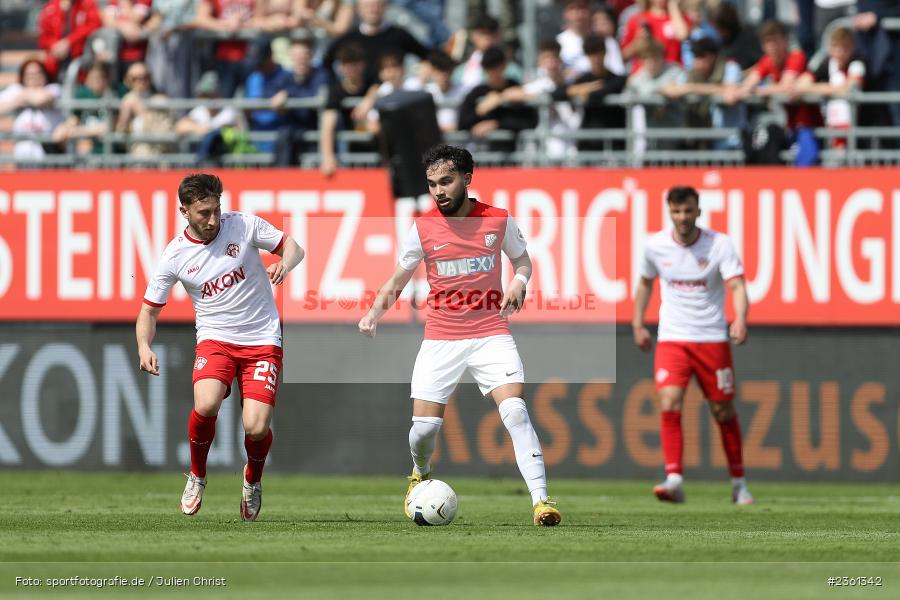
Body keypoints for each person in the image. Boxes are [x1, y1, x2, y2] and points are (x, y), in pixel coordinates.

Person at [358, 144, 561, 527]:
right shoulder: (422, 228)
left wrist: (518, 281)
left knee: (516, 412)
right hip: (441, 338)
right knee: (422, 432)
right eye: (432, 183)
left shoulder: (498, 220)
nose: (438, 191)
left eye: (446, 181)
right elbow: (399, 279)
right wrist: (373, 313)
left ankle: (541, 502)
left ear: (467, 178)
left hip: (490, 332)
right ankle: (420, 471)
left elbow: (522, 259)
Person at [136, 173, 305, 521]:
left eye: (216, 209)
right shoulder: (174, 256)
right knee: (207, 402)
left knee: (256, 428)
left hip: (262, 338)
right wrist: (143, 346)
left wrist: (284, 264)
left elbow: (294, 246)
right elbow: (148, 312)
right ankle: (197, 475)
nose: (213, 219)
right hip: (216, 339)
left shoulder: (242, 225)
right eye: (203, 213)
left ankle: (252, 480)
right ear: (184, 211)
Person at [632, 186, 753, 506]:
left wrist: (739, 318)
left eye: (688, 211)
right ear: (669, 212)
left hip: (712, 338)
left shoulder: (719, 244)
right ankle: (674, 479)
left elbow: (737, 284)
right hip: (673, 338)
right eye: (676, 212)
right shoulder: (655, 246)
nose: (682, 218)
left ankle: (739, 484)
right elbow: (645, 283)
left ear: (698, 211)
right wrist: (637, 322)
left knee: (723, 411)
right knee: (669, 401)